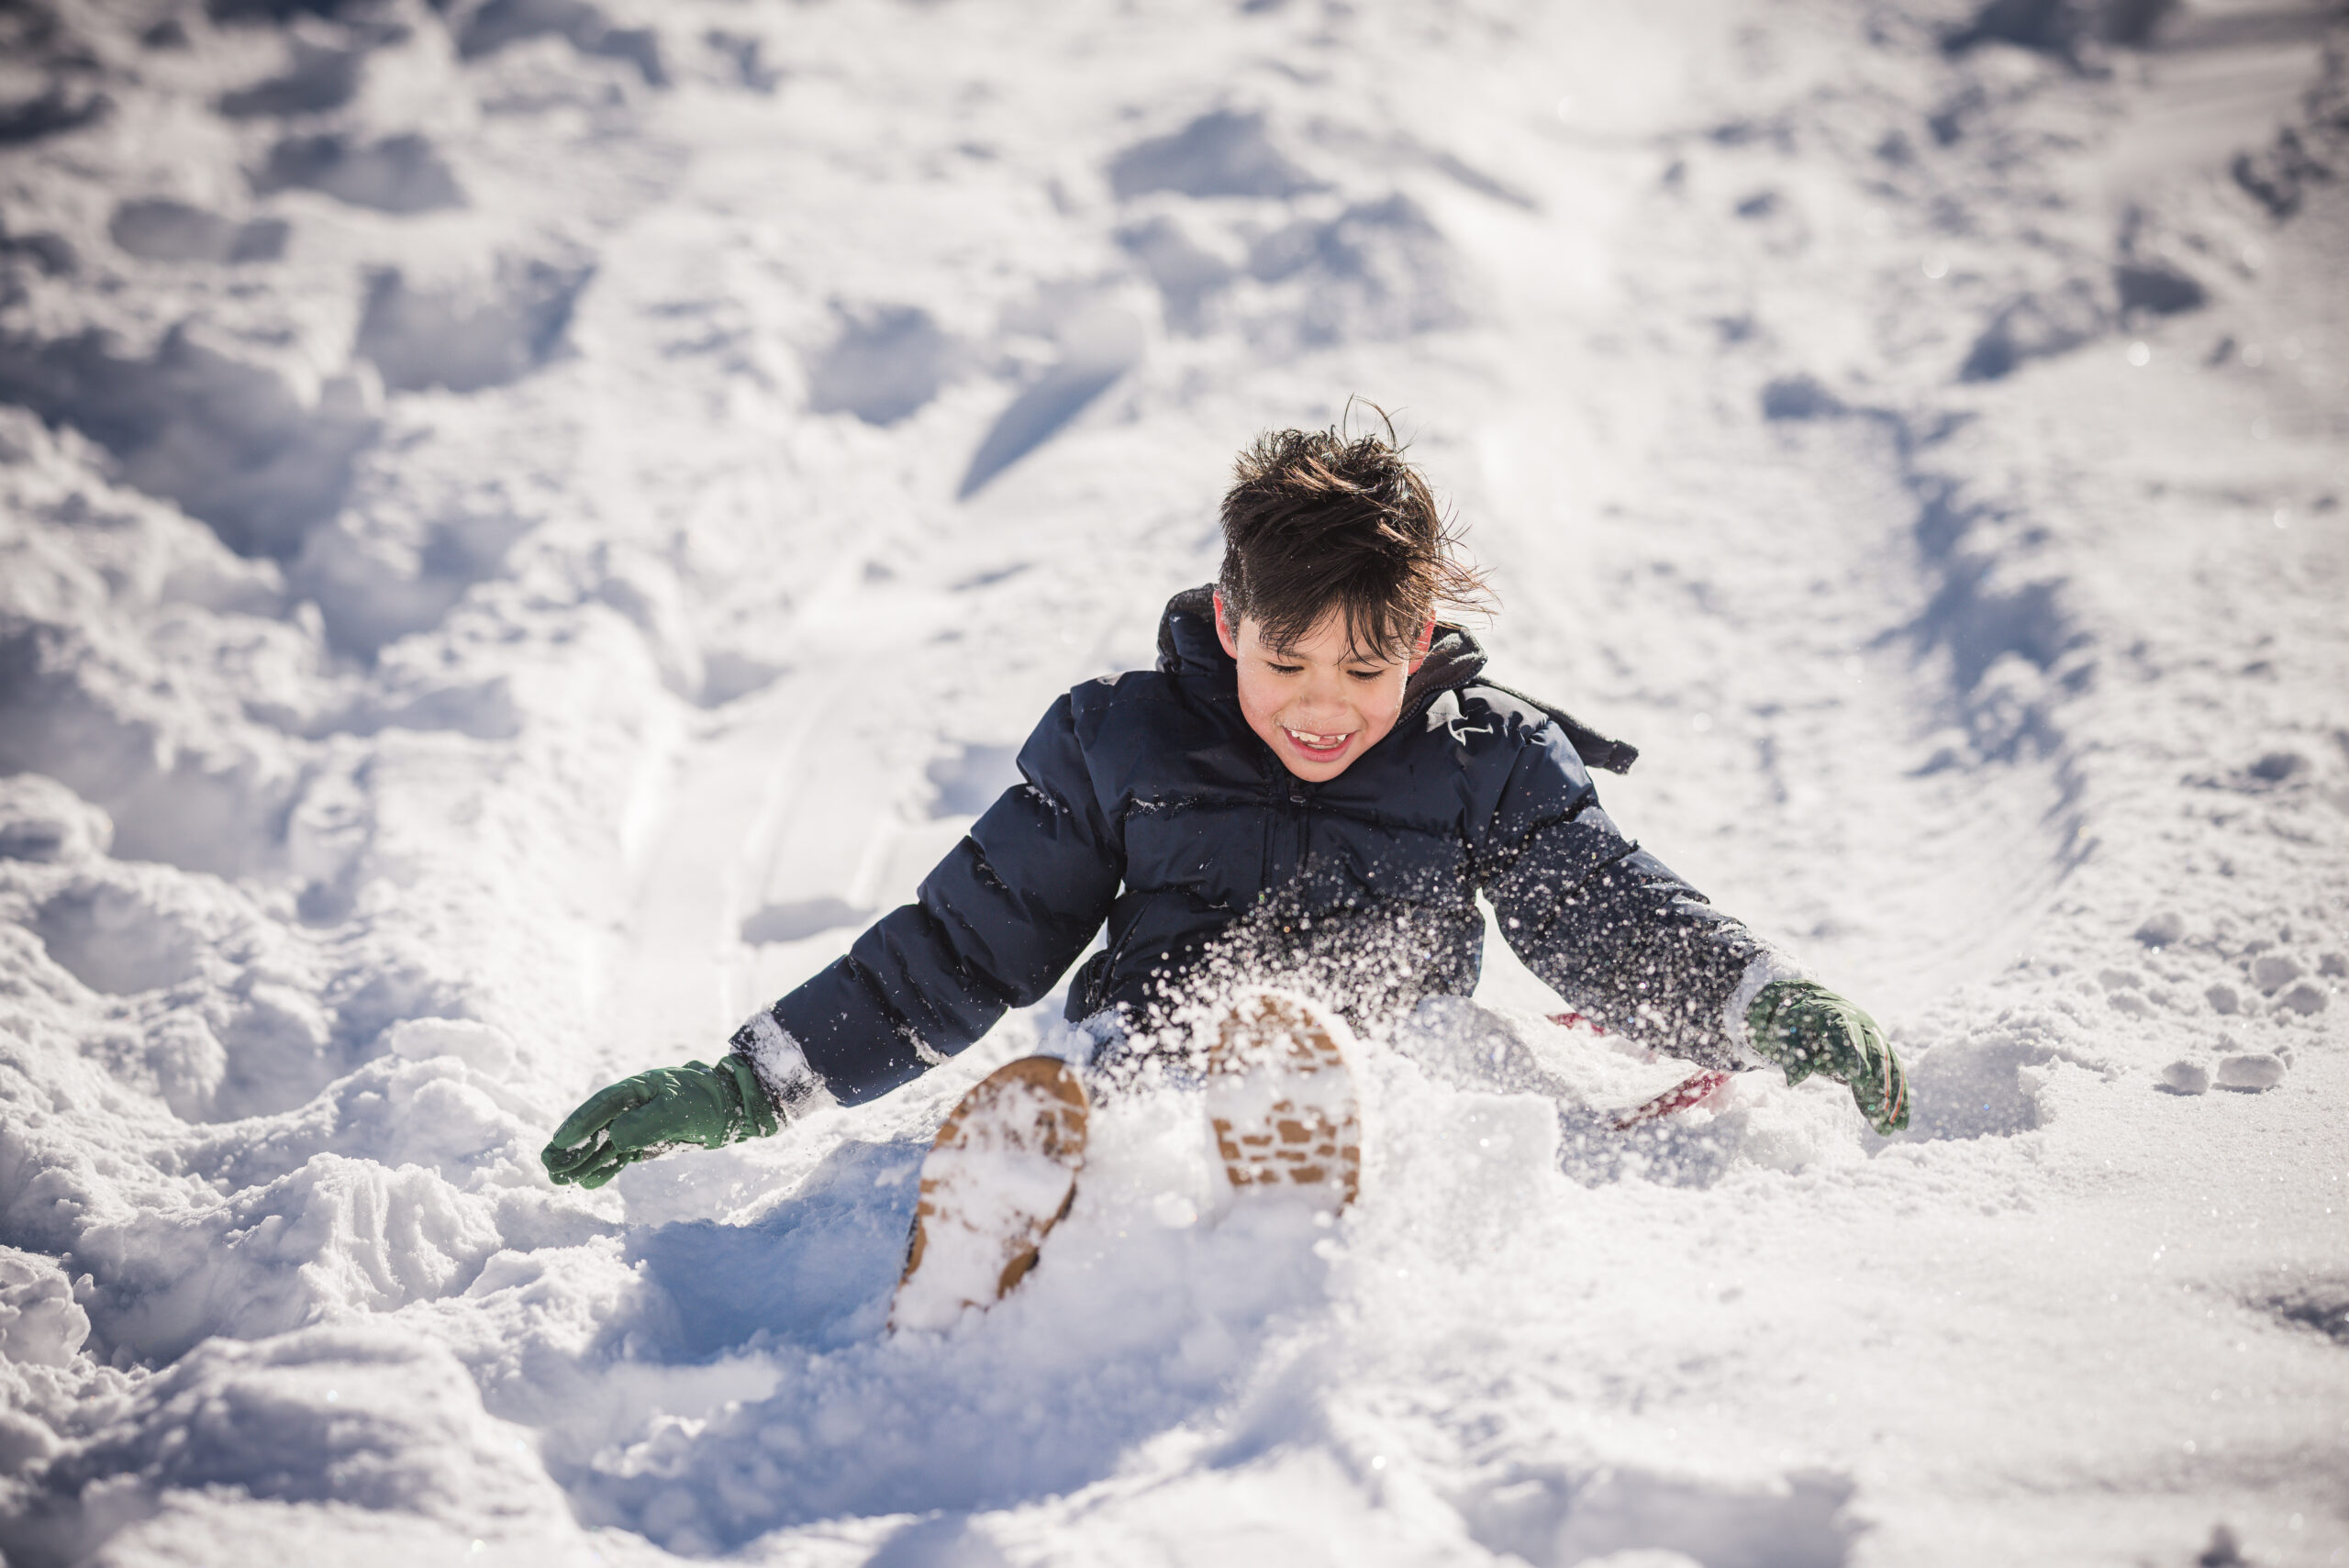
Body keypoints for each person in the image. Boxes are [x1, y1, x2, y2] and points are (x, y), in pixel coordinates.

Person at [540, 420, 1909, 1286]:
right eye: (1288, 657)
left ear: (1422, 644)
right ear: (1227, 615)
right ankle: (1029, 1215)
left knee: (1449, 1066)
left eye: (1370, 666)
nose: (1326, 702)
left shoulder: (1482, 755)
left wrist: (1756, 997)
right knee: (1122, 1068)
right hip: (1153, 1043)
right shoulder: (1123, 745)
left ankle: (1305, 1168)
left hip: (1394, 1047)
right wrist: (751, 1080)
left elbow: (1605, 907)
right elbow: (966, 940)